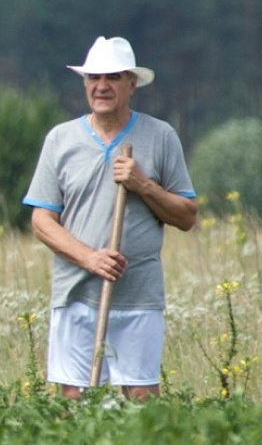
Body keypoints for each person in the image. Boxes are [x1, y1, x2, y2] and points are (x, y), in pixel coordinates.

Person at [23, 36, 198, 401]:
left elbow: (186, 216)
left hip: (138, 293)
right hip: (75, 290)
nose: (101, 86)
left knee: (141, 396)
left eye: (113, 77)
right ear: (85, 83)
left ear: (132, 84)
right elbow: (42, 221)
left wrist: (142, 185)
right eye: (94, 78)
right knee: (75, 397)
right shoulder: (61, 139)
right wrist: (91, 258)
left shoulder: (160, 136)